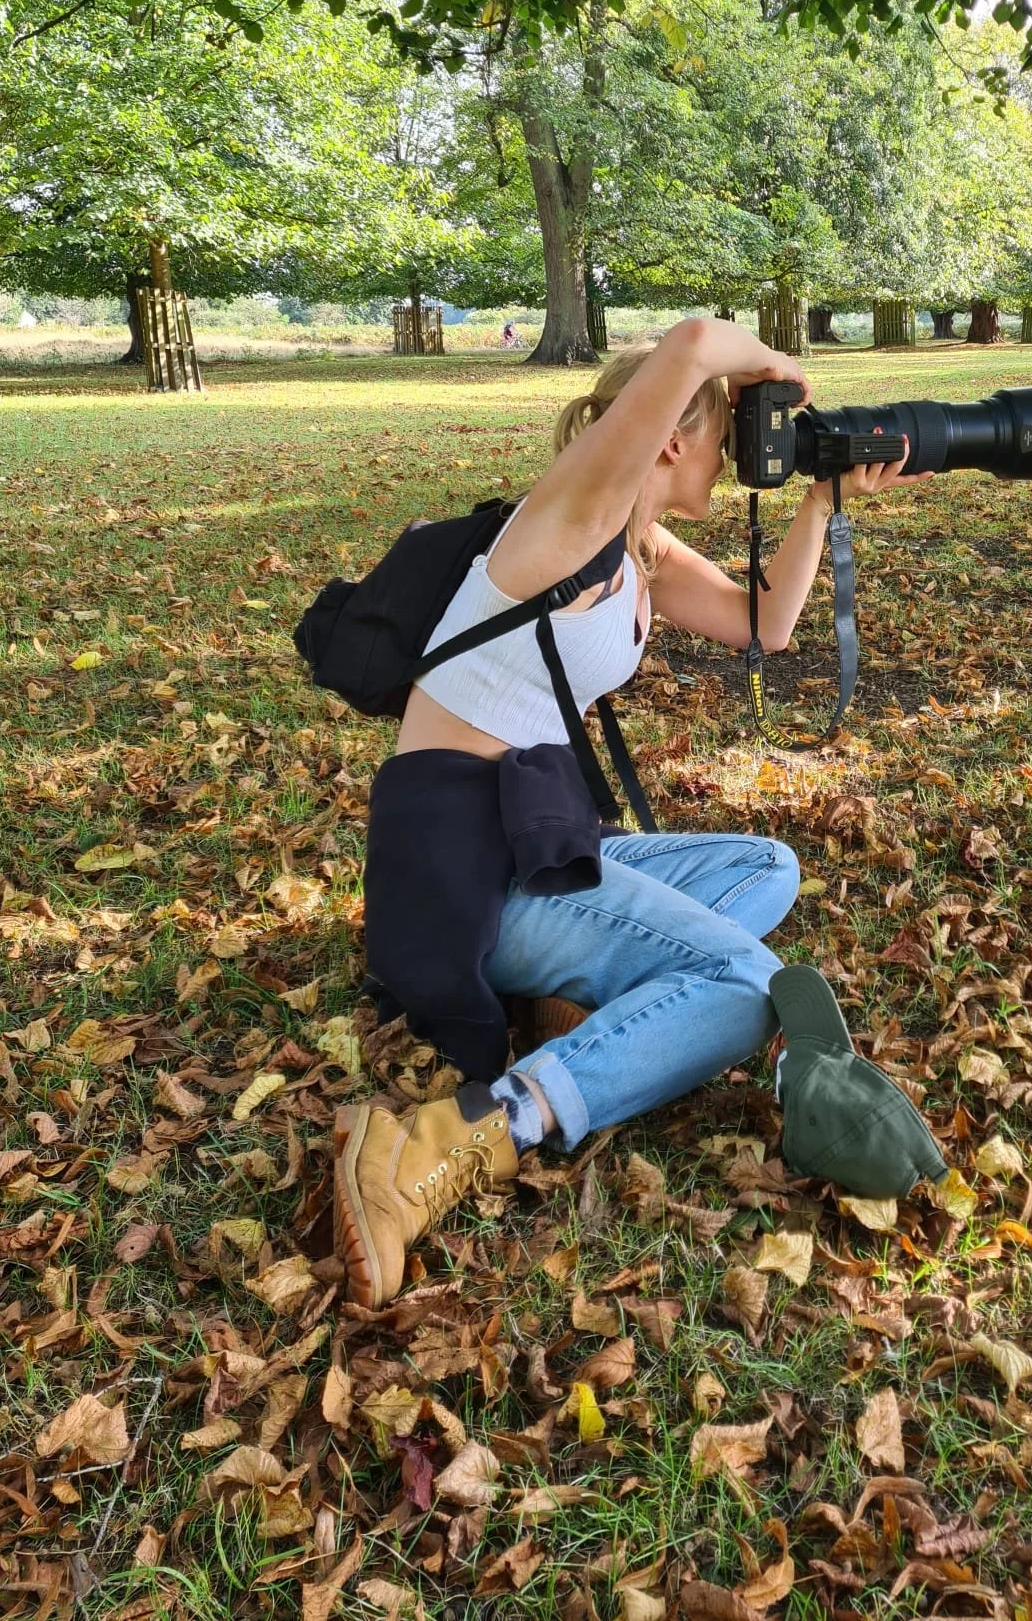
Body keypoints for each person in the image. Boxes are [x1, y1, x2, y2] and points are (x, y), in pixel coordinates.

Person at [332, 319, 922, 1307]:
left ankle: (576, 993)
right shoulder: (569, 522)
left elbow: (764, 623)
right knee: (747, 987)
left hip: (536, 841)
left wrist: (821, 499)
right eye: (730, 427)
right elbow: (692, 339)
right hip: (463, 872)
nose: (744, 448)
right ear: (673, 440)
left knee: (764, 867)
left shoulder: (640, 549)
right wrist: (768, 368)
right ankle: (457, 1137)